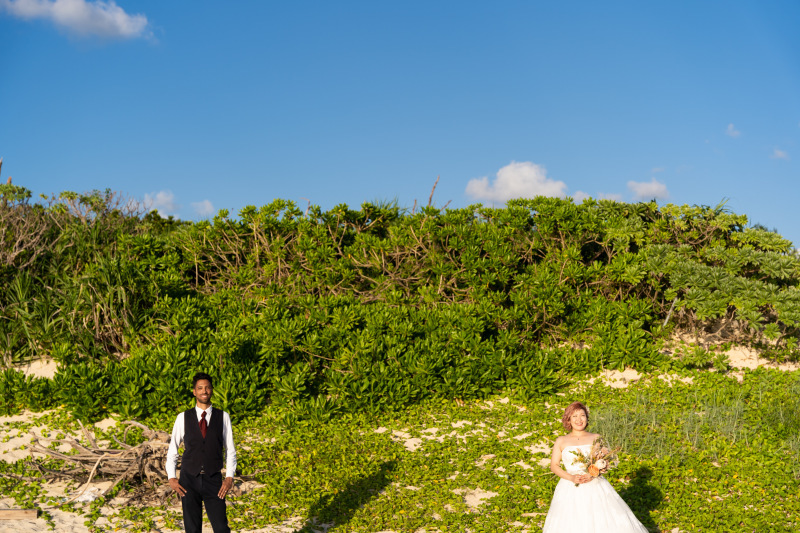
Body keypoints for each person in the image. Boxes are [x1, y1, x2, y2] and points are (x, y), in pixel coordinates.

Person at [542, 401, 648, 533]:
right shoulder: (561, 440)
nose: (579, 420)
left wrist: (593, 474)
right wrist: (571, 477)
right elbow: (554, 465)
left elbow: (606, 460)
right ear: (568, 419)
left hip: (595, 484)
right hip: (569, 486)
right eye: (574, 416)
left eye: (582, 415)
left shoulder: (596, 437)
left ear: (587, 418)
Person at [166, 372, 238, 533]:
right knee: (192, 529)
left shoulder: (223, 417)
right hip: (188, 480)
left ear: (212, 390)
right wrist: (171, 477)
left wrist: (229, 478)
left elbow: (230, 450)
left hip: (214, 480)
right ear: (194, 391)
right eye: (200, 388)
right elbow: (173, 450)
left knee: (221, 528)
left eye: (207, 388)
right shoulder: (182, 417)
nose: (204, 391)